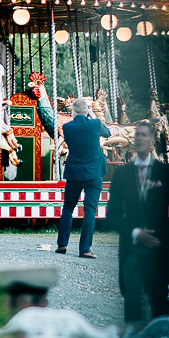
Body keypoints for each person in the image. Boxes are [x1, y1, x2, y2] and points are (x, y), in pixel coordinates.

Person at [107, 121, 169, 321]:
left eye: (144, 135)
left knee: (162, 302)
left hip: (160, 248)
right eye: (137, 135)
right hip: (132, 249)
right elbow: (113, 214)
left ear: (152, 140)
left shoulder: (166, 172)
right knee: (132, 303)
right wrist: (135, 232)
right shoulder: (122, 174)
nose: (139, 138)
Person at [56, 97, 111, 258]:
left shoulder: (67, 127)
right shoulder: (94, 124)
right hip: (94, 173)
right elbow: (107, 132)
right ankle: (85, 249)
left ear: (73, 111)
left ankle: (62, 245)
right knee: (90, 210)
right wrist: (92, 114)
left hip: (74, 172)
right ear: (87, 111)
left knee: (68, 209)